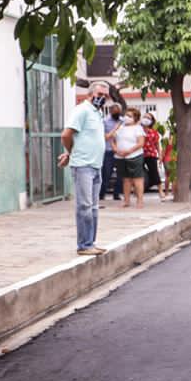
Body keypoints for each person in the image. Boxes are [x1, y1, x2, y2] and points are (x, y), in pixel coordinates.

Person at [58, 81, 109, 256]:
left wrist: (70, 152)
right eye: (100, 95)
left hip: (96, 165)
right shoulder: (82, 110)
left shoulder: (98, 113)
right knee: (85, 206)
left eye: (105, 96)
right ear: (90, 94)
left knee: (93, 207)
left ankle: (91, 243)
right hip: (83, 166)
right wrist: (70, 152)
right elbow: (66, 134)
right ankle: (84, 245)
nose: (102, 98)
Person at [112, 108, 147, 208]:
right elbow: (113, 140)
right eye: (126, 115)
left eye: (130, 116)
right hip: (120, 157)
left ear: (135, 118)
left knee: (137, 179)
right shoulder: (120, 127)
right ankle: (126, 201)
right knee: (126, 179)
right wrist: (116, 149)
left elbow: (141, 143)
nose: (127, 117)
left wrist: (129, 151)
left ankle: (140, 201)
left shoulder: (138, 128)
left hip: (134, 156)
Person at [99, 101, 123, 202]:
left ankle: (116, 194)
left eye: (119, 111)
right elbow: (104, 137)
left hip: (120, 151)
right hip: (108, 151)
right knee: (106, 174)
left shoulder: (123, 121)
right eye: (115, 111)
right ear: (111, 111)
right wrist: (115, 129)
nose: (117, 113)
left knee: (121, 174)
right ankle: (101, 194)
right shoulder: (104, 121)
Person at [141, 114, 162, 193]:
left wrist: (160, 155)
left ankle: (161, 191)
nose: (146, 119)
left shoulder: (154, 132)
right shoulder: (138, 130)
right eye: (144, 117)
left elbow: (157, 145)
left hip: (151, 154)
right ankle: (138, 190)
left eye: (148, 118)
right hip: (139, 155)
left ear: (152, 121)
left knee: (154, 172)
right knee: (139, 173)